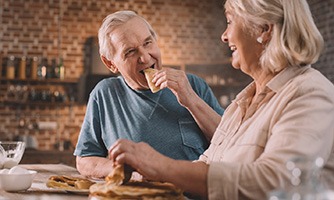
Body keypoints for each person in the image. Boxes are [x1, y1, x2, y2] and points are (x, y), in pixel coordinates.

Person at [109, 0, 334, 199]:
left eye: (230, 21)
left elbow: (278, 182)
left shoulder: (309, 94)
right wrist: (146, 178)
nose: (224, 36)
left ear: (264, 29)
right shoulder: (241, 104)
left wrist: (160, 165)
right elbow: (208, 164)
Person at [74, 11, 224, 179]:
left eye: (147, 43)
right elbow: (85, 160)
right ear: (110, 63)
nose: (144, 57)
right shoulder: (105, 94)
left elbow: (232, 144)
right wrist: (125, 170)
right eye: (130, 51)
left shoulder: (192, 84)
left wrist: (191, 100)